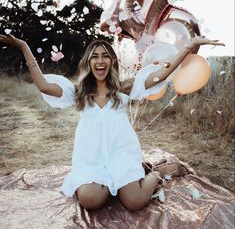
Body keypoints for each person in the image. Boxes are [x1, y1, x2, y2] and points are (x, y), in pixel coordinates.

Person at [0, 33, 225, 211]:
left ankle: (155, 173)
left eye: (105, 55)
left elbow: (160, 76)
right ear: (88, 62)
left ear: (112, 61)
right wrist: (24, 47)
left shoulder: (124, 88)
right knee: (89, 200)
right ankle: (118, 184)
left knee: (135, 202)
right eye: (95, 56)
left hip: (121, 153)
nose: (100, 60)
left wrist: (188, 47)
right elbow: (44, 86)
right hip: (91, 158)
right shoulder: (78, 92)